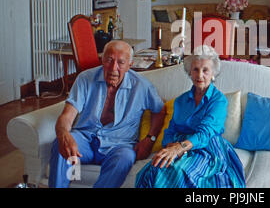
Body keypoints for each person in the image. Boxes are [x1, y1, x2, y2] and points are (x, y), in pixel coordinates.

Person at [49, 40, 166, 188]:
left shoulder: (142, 86)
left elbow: (160, 110)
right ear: (102, 60)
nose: (113, 68)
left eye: (121, 63)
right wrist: (63, 134)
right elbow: (67, 115)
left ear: (130, 65)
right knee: (61, 144)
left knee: (126, 157)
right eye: (109, 60)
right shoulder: (85, 78)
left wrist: (150, 139)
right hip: (86, 138)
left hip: (119, 144)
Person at [135, 45, 246, 188]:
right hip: (179, 145)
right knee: (151, 171)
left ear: (213, 73)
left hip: (207, 147)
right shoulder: (181, 100)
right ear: (190, 72)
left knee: (180, 173)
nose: (200, 75)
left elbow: (205, 134)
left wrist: (180, 148)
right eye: (196, 70)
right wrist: (171, 147)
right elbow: (171, 129)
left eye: (205, 70)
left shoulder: (218, 100)